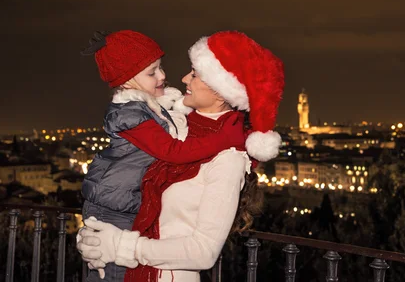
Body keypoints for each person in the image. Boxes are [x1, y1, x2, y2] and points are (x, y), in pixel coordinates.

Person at [78, 31, 285, 282]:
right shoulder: (179, 127)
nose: (183, 78)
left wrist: (119, 245)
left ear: (220, 91)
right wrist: (95, 234)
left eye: (195, 74)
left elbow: (204, 252)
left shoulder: (228, 156)